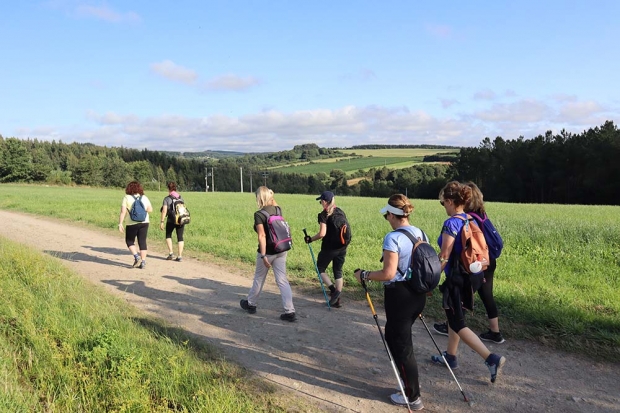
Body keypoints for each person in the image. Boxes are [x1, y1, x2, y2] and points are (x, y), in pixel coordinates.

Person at [353, 194, 427, 410]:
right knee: (399, 339)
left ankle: (412, 397)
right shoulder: (420, 233)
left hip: (400, 297)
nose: (386, 218)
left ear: (393, 215)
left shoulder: (392, 237)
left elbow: (388, 273)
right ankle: (406, 385)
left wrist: (364, 275)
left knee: (400, 344)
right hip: (418, 294)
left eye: (387, 215)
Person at [431, 181, 505, 383]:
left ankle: (491, 358)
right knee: (457, 315)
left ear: (449, 201)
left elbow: (444, 256)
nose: (443, 206)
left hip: (456, 280)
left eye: (443, 203)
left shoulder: (452, 223)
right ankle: (451, 356)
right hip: (471, 277)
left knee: (457, 322)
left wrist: (430, 278)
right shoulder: (469, 219)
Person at [240, 186, 296, 322]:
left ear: (259, 198)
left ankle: (251, 304)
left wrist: (264, 255)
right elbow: (274, 202)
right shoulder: (278, 209)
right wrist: (271, 193)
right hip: (281, 249)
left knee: (259, 278)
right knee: (282, 280)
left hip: (268, 251)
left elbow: (262, 235)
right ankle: (290, 311)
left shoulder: (259, 214)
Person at [304, 191, 348, 307]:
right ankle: (337, 297)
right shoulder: (340, 211)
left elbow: (322, 234)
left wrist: (311, 239)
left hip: (329, 248)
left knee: (320, 268)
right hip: (342, 247)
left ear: (324, 202)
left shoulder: (323, 215)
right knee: (338, 271)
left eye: (320, 201)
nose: (320, 203)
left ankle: (334, 291)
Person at [118, 181, 153, 269]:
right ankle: (143, 262)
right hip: (145, 222)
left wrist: (120, 223)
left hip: (131, 222)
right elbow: (150, 210)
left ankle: (136, 257)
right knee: (142, 241)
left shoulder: (126, 198)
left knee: (129, 241)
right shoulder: (144, 197)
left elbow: (123, 212)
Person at [159, 181, 185, 262]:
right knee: (180, 237)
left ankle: (171, 253)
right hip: (181, 219)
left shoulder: (167, 199)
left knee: (168, 235)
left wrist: (162, 221)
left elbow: (164, 211)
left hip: (171, 220)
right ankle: (180, 256)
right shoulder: (181, 197)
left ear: (168, 188)